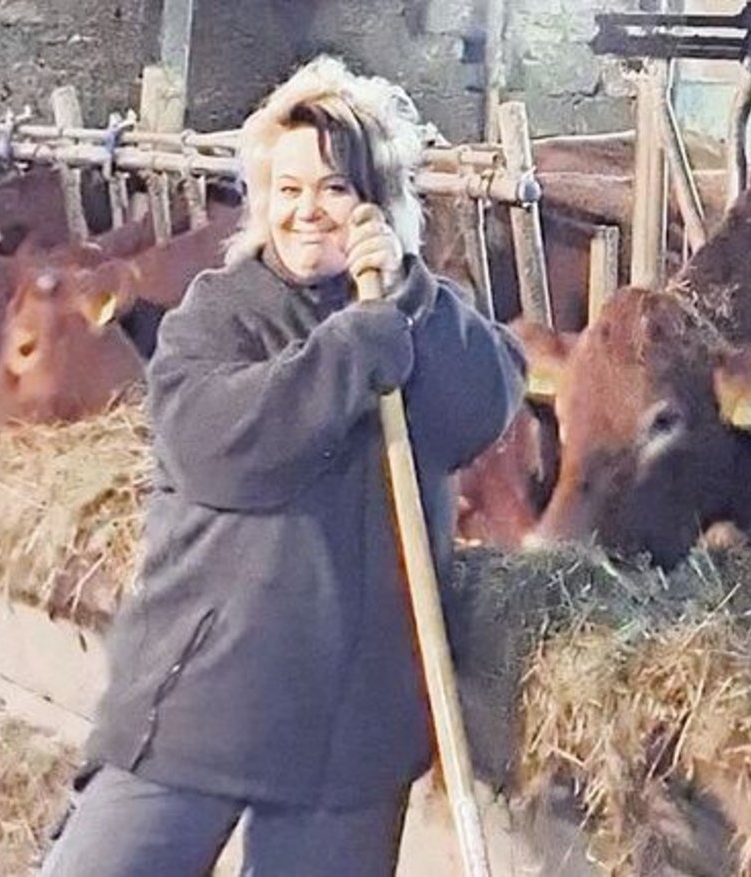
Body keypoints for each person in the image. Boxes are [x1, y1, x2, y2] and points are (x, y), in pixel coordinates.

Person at [39, 56, 525, 876]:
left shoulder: (415, 312)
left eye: (336, 189)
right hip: (209, 697)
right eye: (288, 189)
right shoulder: (218, 314)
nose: (308, 212)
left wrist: (409, 292)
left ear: (381, 203)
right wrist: (347, 352)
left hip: (350, 730)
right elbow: (216, 450)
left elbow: (484, 405)